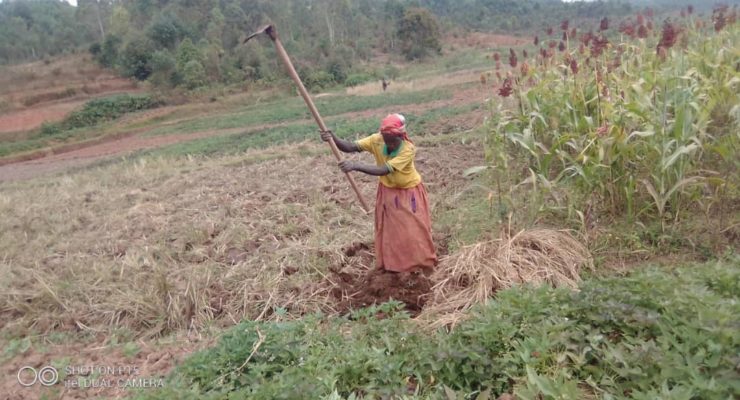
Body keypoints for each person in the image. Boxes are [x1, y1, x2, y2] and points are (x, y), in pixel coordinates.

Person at [321, 114, 437, 273]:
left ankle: (420, 264)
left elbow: (384, 169)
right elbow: (350, 147)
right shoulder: (377, 139)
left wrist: (355, 166)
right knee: (391, 230)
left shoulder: (408, 149)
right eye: (386, 138)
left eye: (392, 139)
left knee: (413, 230)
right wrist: (333, 138)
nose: (388, 143)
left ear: (400, 136)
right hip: (388, 191)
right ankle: (394, 266)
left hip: (409, 193)